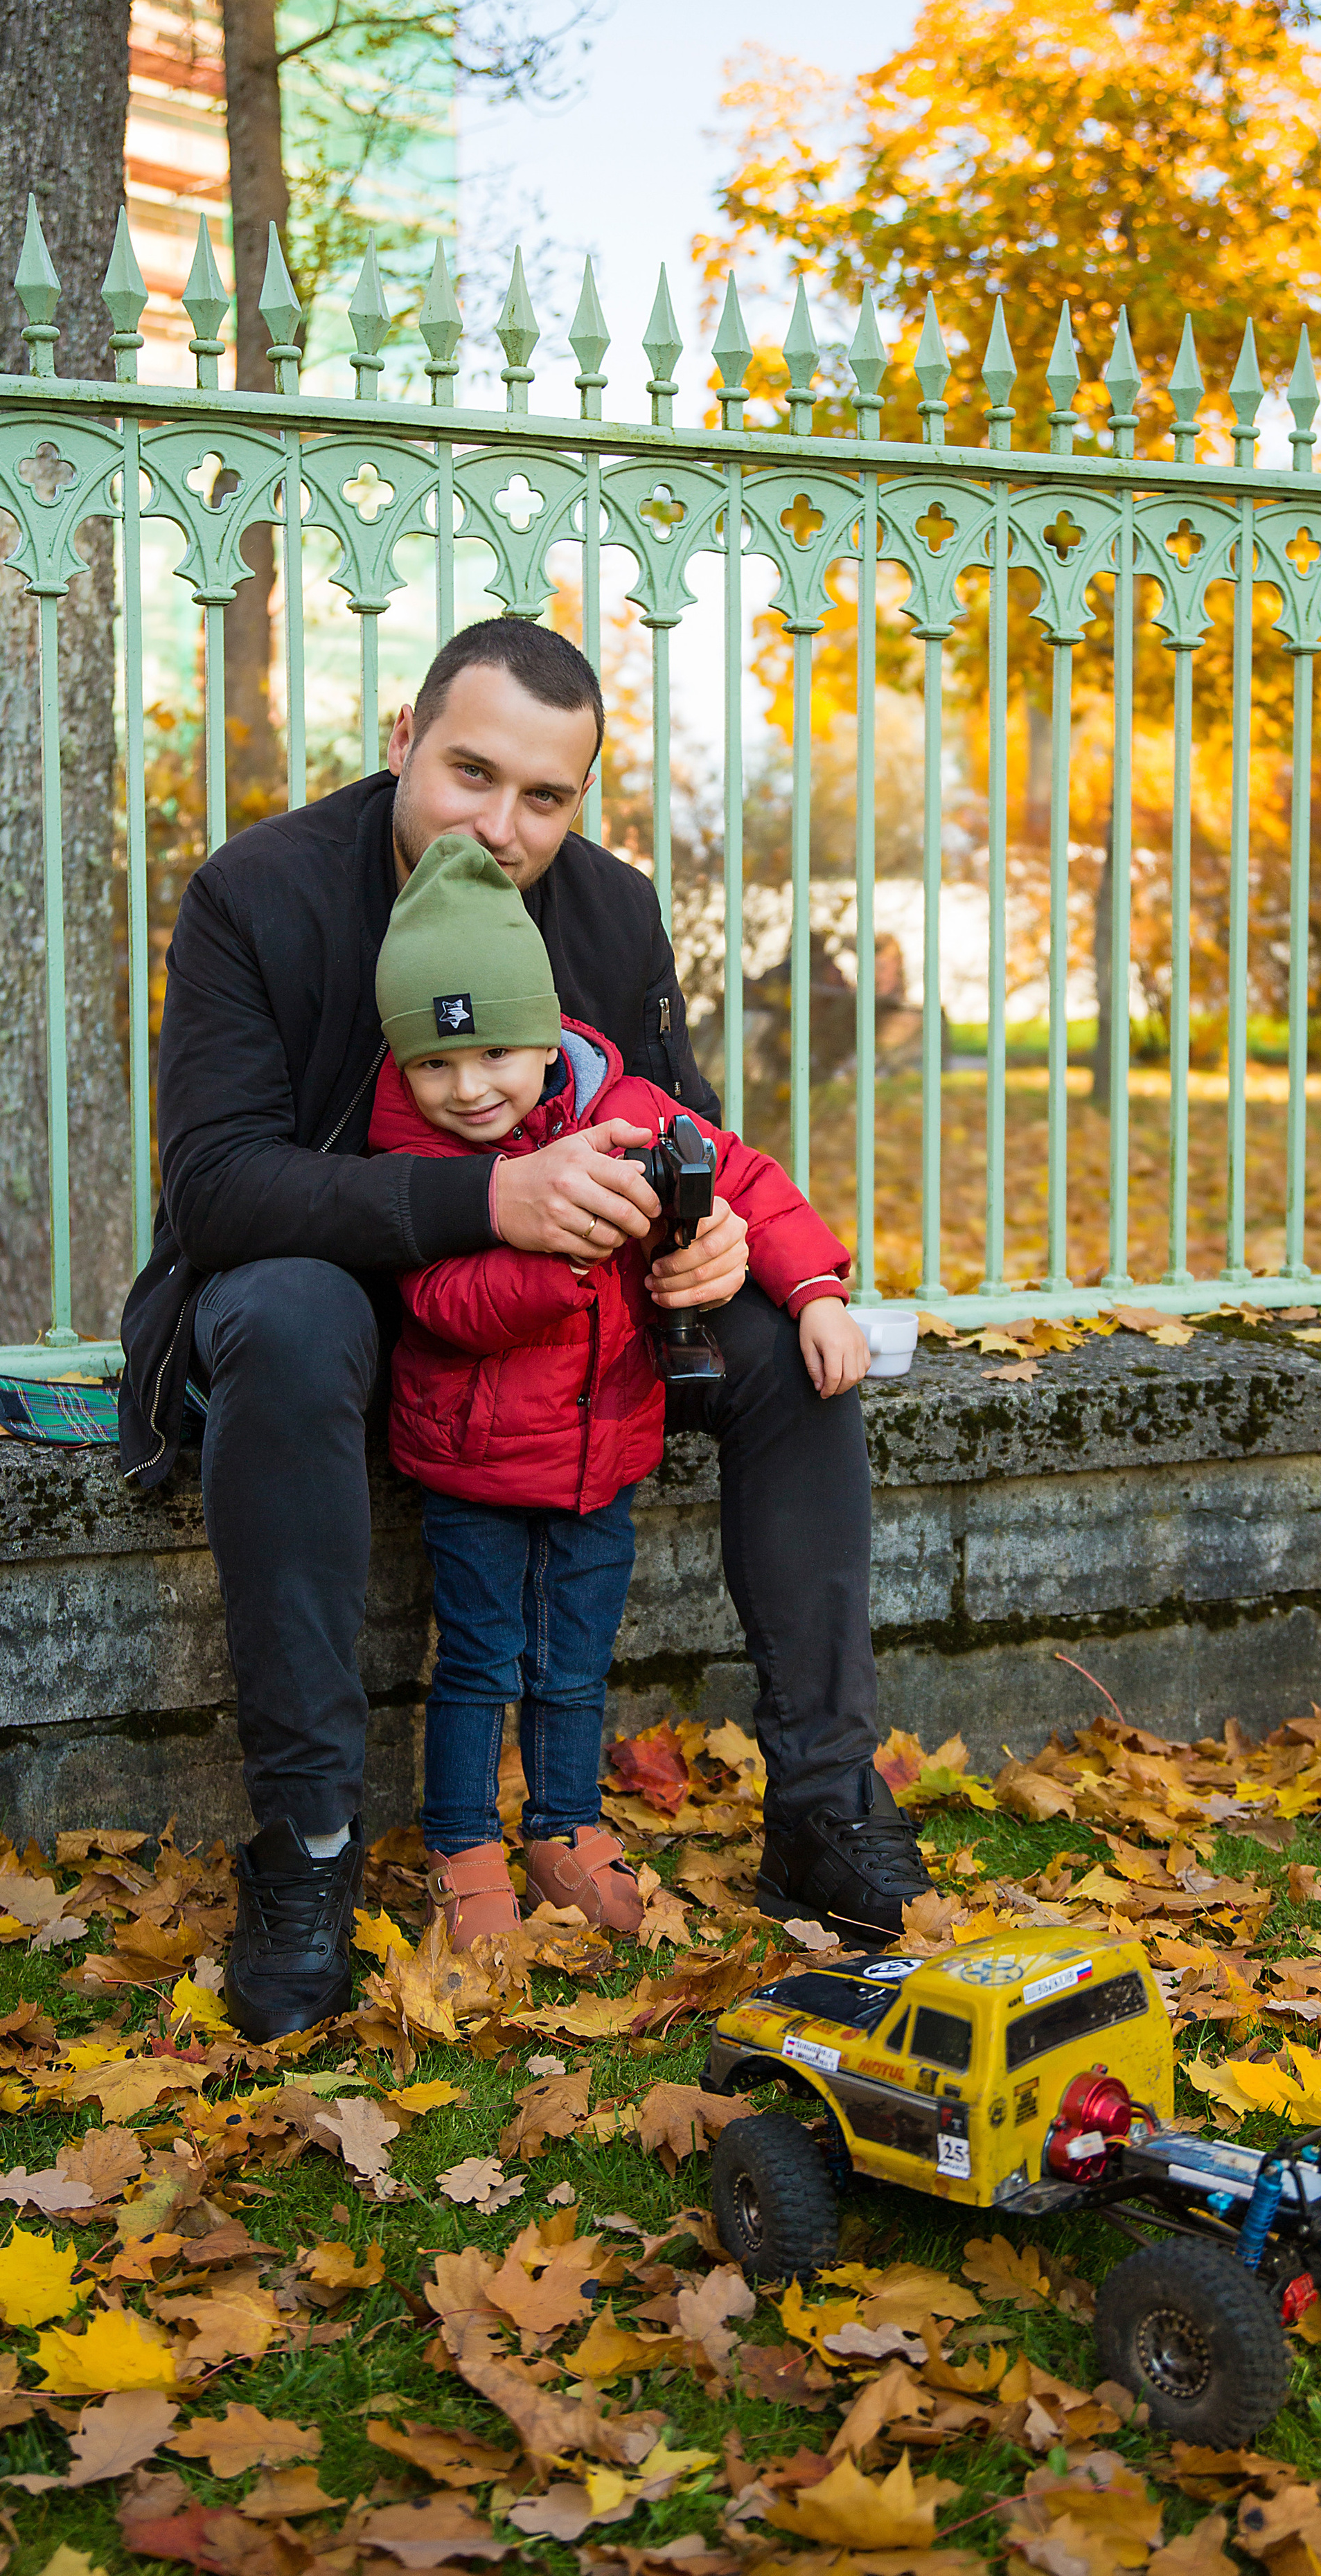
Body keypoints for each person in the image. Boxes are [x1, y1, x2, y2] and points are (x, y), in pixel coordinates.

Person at [119, 614, 929, 2045]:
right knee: (295, 1319)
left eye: (543, 796)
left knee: (794, 1355)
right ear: (400, 746)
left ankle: (819, 1799)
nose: (502, 825)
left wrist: (715, 1237)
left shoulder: (607, 911)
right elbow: (220, 1187)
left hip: (543, 1336)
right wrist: (487, 1197)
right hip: (319, 1301)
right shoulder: (260, 894)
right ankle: (305, 1851)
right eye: (470, 774)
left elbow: (685, 1133)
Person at [371, 830, 869, 1949]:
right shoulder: (414, 1146)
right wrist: (557, 1259)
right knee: (480, 1660)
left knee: (576, 1657)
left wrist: (817, 1288)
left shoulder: (627, 1106)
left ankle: (564, 1824)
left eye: (495, 1054)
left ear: (544, 1031)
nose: (468, 1090)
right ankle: (461, 1839)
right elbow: (440, 1302)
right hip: (477, 1462)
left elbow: (742, 1177)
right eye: (435, 1064)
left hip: (604, 1451)